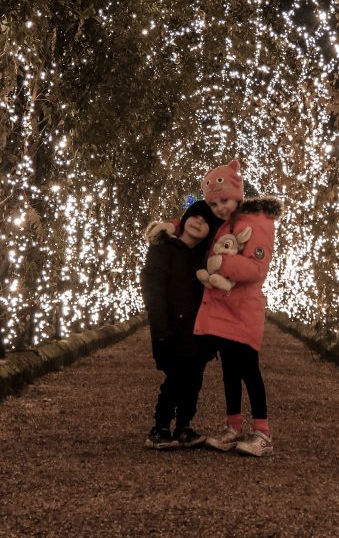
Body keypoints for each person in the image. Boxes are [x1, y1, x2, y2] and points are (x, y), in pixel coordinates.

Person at [191, 159, 283, 458]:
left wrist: (222, 264)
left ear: (239, 195)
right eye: (214, 203)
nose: (219, 207)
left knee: (248, 370)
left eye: (225, 200)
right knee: (229, 370)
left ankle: (263, 432)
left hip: (242, 309)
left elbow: (256, 269)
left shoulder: (256, 224)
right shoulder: (228, 224)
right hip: (224, 308)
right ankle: (233, 427)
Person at [140, 199, 222, 450]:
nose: (199, 222)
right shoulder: (164, 249)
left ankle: (184, 424)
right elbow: (153, 290)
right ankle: (161, 426)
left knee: (194, 378)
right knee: (175, 378)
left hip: (199, 329)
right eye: (195, 216)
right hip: (172, 328)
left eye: (207, 221)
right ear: (184, 220)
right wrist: (161, 329)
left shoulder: (206, 258)